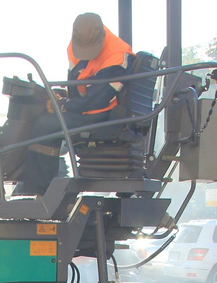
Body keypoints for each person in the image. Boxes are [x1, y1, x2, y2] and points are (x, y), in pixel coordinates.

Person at [16, 12, 134, 196]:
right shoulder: (75, 46)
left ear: (102, 37)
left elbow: (99, 99)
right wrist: (64, 97)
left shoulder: (117, 56)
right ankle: (37, 187)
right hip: (88, 108)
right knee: (42, 115)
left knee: (44, 126)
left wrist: (64, 105)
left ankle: (39, 191)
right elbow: (77, 83)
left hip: (103, 113)